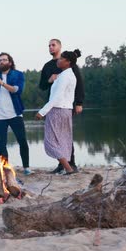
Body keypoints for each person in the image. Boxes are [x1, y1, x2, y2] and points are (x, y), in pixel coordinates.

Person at [0, 53, 31, 175]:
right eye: (0, 60)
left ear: (10, 62)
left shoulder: (18, 74)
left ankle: (26, 167)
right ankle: (6, 169)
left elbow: (17, 90)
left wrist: (3, 84)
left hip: (15, 113)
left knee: (22, 140)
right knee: (2, 144)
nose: (2, 62)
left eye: (5, 59)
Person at [39, 39, 84, 173]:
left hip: (65, 105)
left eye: (53, 45)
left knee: (65, 135)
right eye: (49, 46)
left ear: (60, 47)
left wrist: (79, 102)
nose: (50, 47)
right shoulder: (47, 66)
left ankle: (71, 163)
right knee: (55, 136)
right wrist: (50, 80)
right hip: (52, 105)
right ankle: (62, 165)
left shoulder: (69, 65)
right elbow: (42, 86)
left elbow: (78, 84)